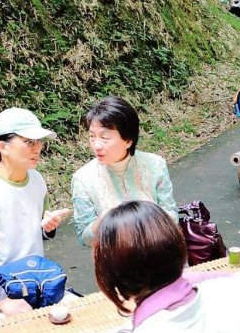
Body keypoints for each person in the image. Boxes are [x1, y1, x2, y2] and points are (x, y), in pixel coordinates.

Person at [0, 107, 68, 317]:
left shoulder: (37, 180)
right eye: (29, 142)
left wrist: (47, 228)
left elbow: (35, 231)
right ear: (3, 147)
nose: (38, 149)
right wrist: (2, 301)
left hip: (33, 282)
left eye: (39, 142)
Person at [94, 201, 240, 333]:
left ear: (114, 276)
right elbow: (235, 278)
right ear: (178, 246)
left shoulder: (149, 327)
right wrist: (176, 277)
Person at [72, 96, 177, 247]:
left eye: (104, 137)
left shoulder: (155, 164)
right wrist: (103, 220)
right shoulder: (83, 178)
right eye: (92, 136)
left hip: (161, 252)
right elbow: (85, 238)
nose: (96, 145)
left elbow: (172, 214)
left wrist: (146, 217)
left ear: (128, 140)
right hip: (116, 263)